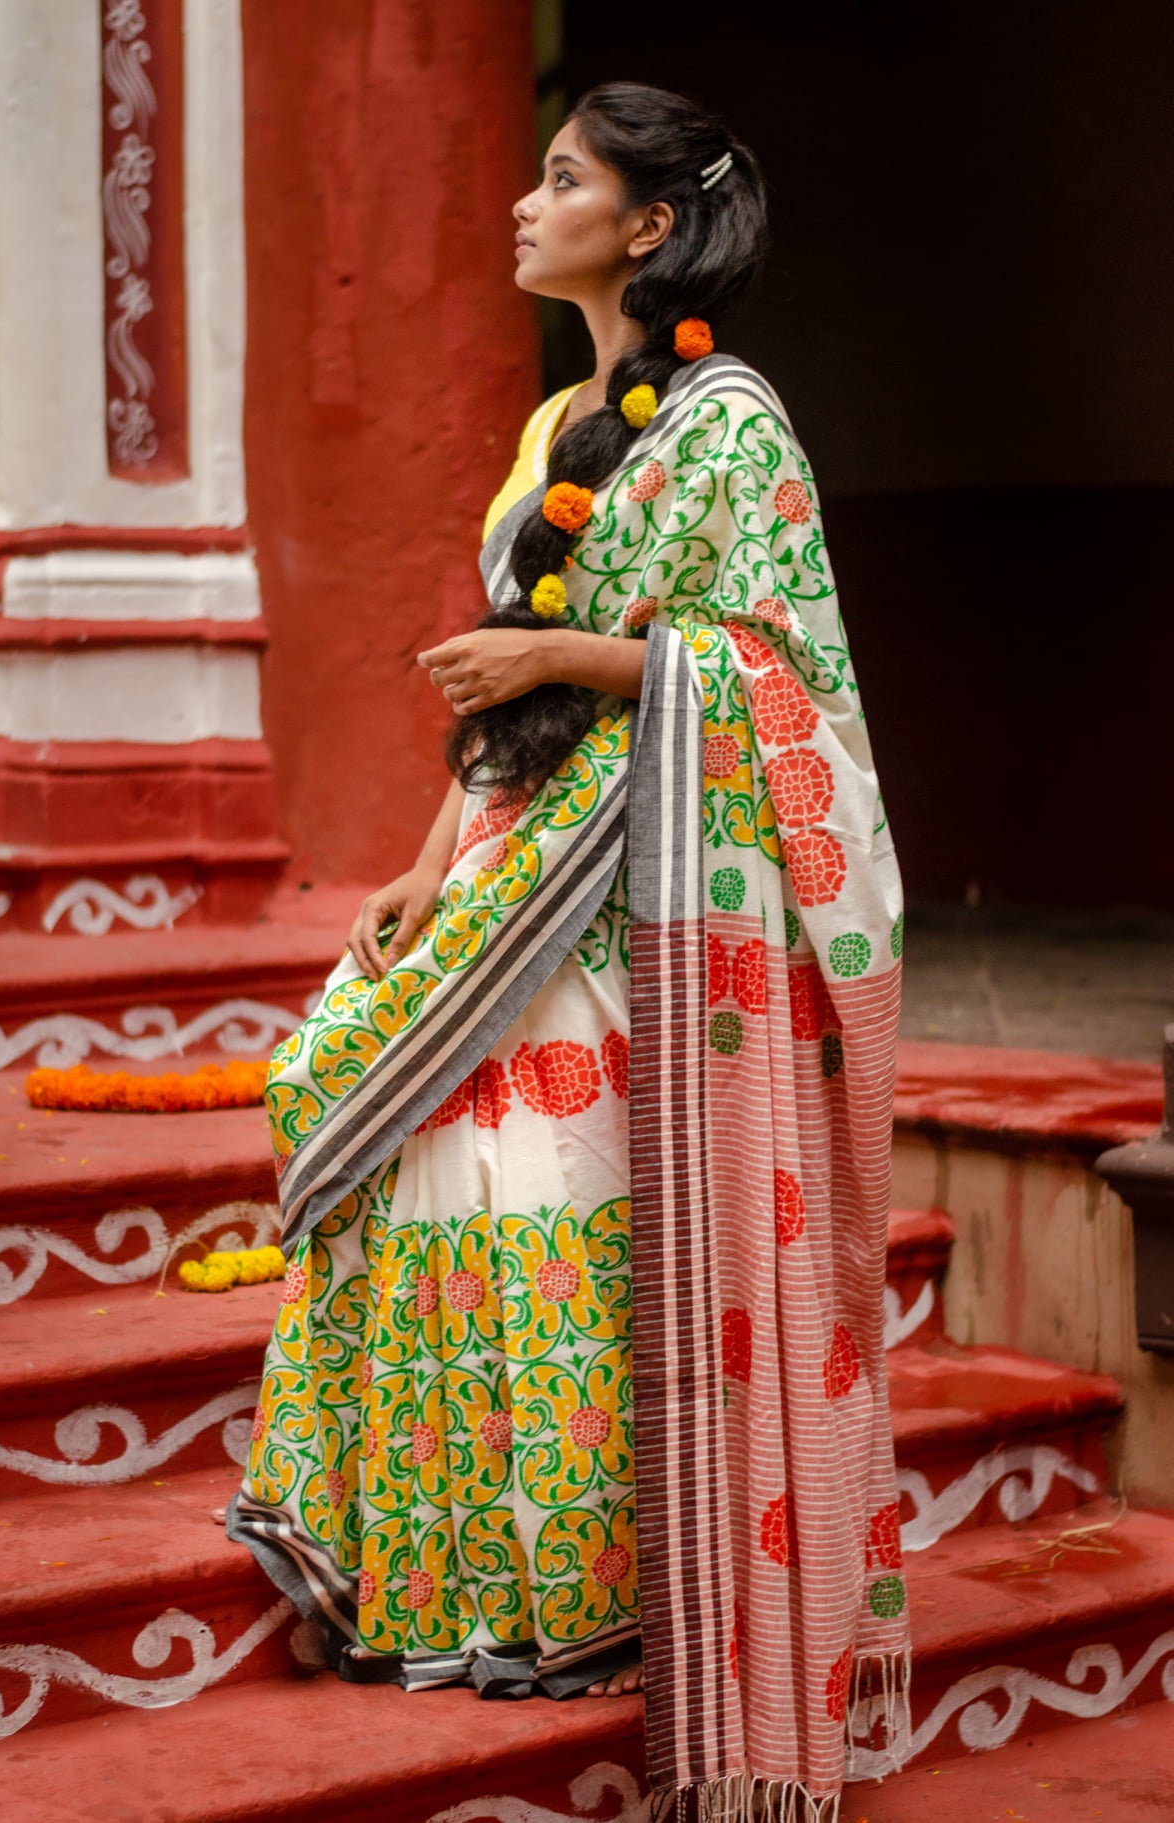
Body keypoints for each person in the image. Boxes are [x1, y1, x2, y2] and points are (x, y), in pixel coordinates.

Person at [225, 81, 913, 1823]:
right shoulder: (559, 436)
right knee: (424, 1168)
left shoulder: (738, 430)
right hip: (520, 853)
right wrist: (420, 854)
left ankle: (596, 1596)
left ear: (650, 226)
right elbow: (517, 670)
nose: (527, 209)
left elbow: (784, 680)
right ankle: (451, 1580)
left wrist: (573, 675)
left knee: (550, 1200)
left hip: (650, 890)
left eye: (560, 183)